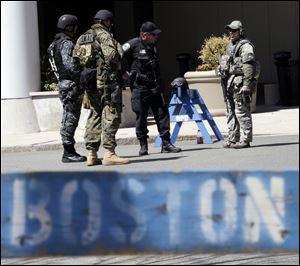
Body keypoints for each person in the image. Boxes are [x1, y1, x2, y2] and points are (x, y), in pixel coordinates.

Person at [73, 9, 129, 166]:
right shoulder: (103, 35)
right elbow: (112, 56)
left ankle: (92, 154)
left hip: (90, 82)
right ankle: (110, 153)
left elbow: (75, 59)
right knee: (112, 114)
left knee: (95, 114)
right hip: (107, 82)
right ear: (107, 22)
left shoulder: (84, 36)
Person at [122, 21, 182, 156]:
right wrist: (123, 74)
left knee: (162, 114)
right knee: (141, 116)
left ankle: (166, 143)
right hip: (140, 87)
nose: (156, 37)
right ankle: (143, 145)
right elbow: (115, 55)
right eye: (154, 34)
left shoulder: (153, 45)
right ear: (145, 35)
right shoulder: (132, 44)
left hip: (154, 86)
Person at [48, 14, 86, 163]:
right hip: (70, 85)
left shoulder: (54, 43)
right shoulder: (67, 43)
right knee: (71, 117)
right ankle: (69, 152)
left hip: (63, 83)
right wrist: (82, 78)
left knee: (68, 116)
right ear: (70, 27)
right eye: (75, 26)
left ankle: (69, 151)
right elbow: (70, 65)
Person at [218, 20, 259, 149]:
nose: (231, 32)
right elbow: (227, 64)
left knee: (241, 111)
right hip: (229, 83)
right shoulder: (230, 46)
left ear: (240, 31)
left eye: (234, 30)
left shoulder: (245, 46)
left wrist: (247, 84)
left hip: (240, 84)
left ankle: (245, 140)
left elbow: (248, 66)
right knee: (230, 112)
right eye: (229, 30)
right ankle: (232, 138)